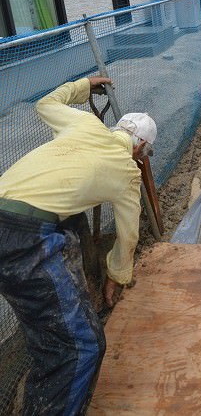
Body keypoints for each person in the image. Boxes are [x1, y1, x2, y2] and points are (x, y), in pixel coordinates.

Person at [0, 76, 157, 416]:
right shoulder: (128, 173)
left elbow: (46, 103)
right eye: (143, 154)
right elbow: (128, 236)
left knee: (51, 334)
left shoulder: (84, 122)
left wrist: (84, 84)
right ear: (139, 149)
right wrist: (117, 276)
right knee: (82, 348)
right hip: (26, 239)